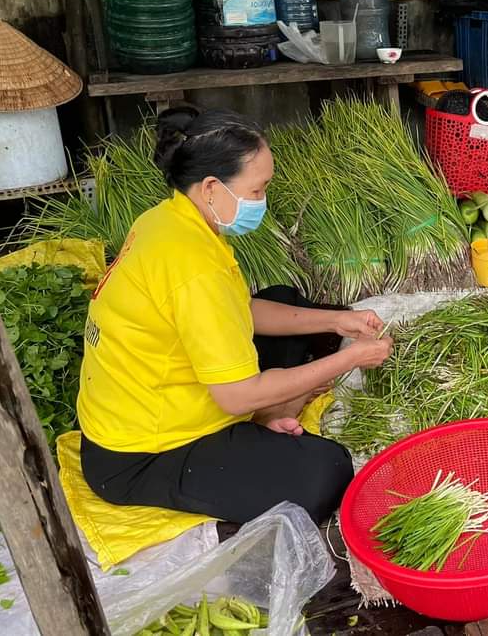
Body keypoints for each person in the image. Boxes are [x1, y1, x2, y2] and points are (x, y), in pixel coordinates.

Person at [76, 106, 393, 525]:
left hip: (162, 395)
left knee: (287, 300)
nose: (262, 201)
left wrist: (335, 322)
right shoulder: (193, 267)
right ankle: (267, 416)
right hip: (142, 453)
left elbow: (238, 309)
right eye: (258, 190)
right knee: (325, 471)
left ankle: (271, 411)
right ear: (211, 187)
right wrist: (351, 357)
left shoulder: (170, 219)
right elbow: (236, 396)